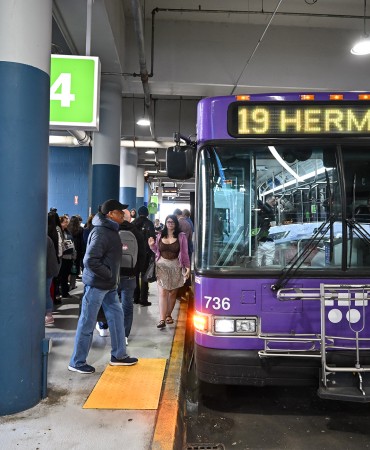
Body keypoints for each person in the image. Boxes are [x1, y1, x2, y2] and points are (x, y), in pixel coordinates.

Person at [68, 199, 138, 374]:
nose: (123, 214)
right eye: (119, 211)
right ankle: (77, 361)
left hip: (108, 286)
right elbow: (90, 260)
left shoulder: (110, 230)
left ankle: (119, 355)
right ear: (110, 214)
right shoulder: (101, 232)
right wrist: (108, 274)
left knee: (116, 319)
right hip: (98, 285)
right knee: (87, 322)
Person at [148, 214, 190, 329]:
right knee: (163, 292)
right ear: (165, 223)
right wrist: (152, 246)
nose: (170, 224)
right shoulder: (160, 235)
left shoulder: (181, 236)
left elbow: (185, 253)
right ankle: (162, 319)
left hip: (176, 266)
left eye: (172, 222)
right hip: (161, 266)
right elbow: (157, 250)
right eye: (168, 222)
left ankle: (168, 315)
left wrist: (188, 267)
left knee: (172, 293)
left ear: (176, 224)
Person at [119, 209, 146, 345]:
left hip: (112, 274)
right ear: (130, 218)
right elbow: (142, 254)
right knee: (127, 305)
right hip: (130, 275)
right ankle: (124, 335)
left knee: (108, 301)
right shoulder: (137, 233)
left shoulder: (111, 230)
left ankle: (103, 327)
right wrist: (137, 271)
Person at [133, 205, 156, 306]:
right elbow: (152, 237)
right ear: (147, 214)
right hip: (146, 252)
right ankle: (143, 299)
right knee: (144, 276)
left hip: (135, 252)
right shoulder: (149, 223)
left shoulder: (133, 223)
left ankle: (135, 297)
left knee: (135, 275)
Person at [256, 194, 277, 266]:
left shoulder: (258, 212)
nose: (275, 202)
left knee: (257, 260)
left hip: (258, 240)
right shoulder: (269, 212)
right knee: (269, 259)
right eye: (273, 200)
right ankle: (268, 274)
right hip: (267, 239)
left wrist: (257, 236)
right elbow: (272, 226)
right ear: (268, 200)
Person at [45, 235, 60, 325]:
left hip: (46, 271)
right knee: (46, 293)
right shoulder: (47, 238)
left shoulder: (44, 239)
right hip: (49, 270)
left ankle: (48, 314)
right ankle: (48, 314)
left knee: (46, 293)